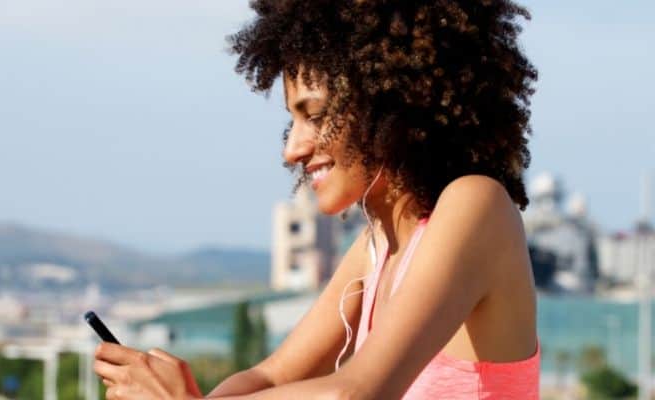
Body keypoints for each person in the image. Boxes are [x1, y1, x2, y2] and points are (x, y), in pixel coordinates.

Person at [93, 0, 540, 398]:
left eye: (316, 116)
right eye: (292, 122)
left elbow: (355, 392)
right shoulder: (374, 248)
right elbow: (270, 378)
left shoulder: (477, 206)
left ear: (392, 102)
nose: (292, 148)